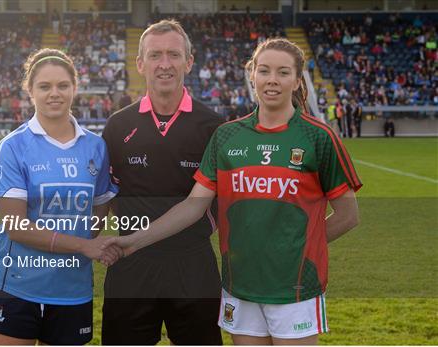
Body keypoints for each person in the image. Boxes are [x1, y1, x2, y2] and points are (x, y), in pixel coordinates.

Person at [104, 38, 362, 345]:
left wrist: (293, 249)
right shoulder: (227, 136)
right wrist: (133, 241)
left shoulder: (318, 138)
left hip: (292, 287)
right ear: (251, 75)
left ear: (297, 79)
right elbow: (192, 206)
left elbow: (348, 216)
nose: (272, 80)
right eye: (264, 71)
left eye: (283, 72)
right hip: (240, 282)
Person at [0, 48, 120, 345]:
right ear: (30, 90)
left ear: (75, 88)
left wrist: (87, 242)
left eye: (62, 85)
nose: (54, 93)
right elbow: (16, 227)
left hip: (72, 290)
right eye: (44, 86)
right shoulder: (12, 147)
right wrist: (84, 245)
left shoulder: (96, 147)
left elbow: (99, 207)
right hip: (18, 287)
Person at [100, 20, 224, 345]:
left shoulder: (212, 126)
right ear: (140, 63)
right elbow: (107, 194)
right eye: (155, 55)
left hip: (193, 262)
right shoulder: (118, 125)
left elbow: (219, 205)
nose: (165, 64)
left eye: (173, 54)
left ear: (189, 61)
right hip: (131, 264)